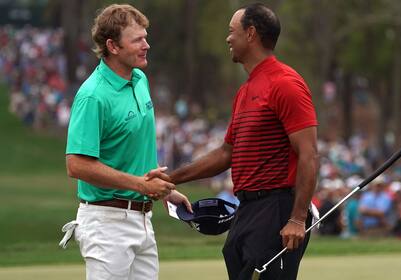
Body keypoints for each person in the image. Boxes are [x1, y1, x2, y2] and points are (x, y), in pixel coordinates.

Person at [151, 3, 318, 279]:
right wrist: (172, 179)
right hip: (248, 210)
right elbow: (226, 153)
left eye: (232, 31)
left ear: (250, 33)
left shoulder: (286, 83)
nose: (228, 38)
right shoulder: (246, 91)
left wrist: (298, 218)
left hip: (277, 210)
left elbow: (309, 154)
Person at [62, 4, 191, 280]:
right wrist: (141, 186)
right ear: (113, 46)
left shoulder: (139, 79)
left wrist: (164, 191)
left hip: (143, 220)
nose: (146, 45)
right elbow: (76, 165)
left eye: (145, 37)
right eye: (137, 40)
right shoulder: (93, 96)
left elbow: (133, 149)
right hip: (107, 224)